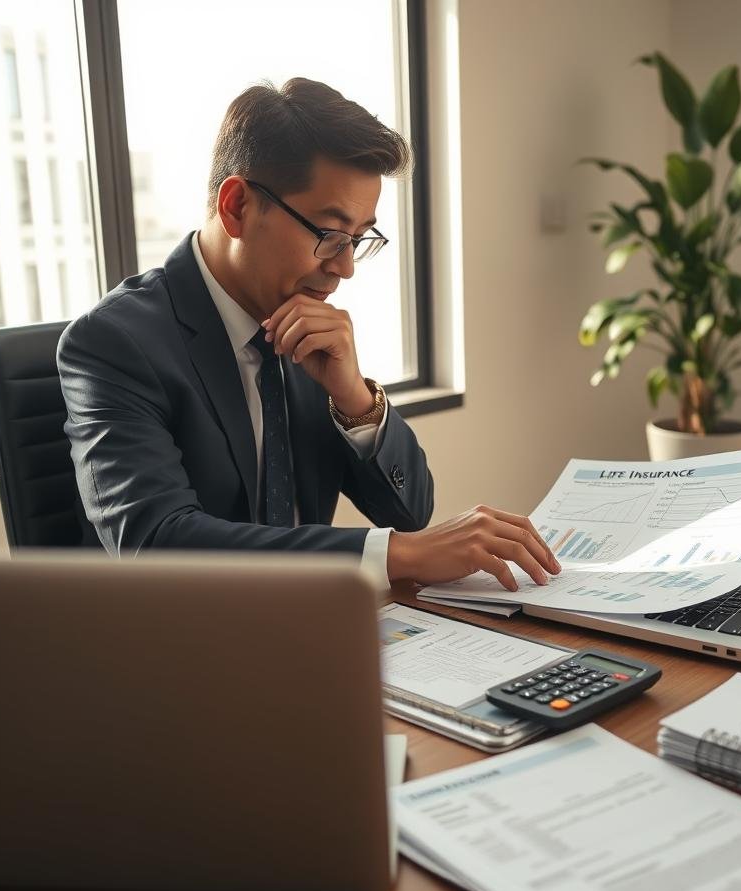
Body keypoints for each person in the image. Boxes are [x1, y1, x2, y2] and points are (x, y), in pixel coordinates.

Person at [57, 77, 560, 593]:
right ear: (237, 207)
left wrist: (354, 398)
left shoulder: (304, 325)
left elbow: (411, 512)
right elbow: (157, 544)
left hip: (315, 628)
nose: (345, 268)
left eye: (359, 240)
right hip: (184, 648)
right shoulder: (113, 343)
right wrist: (396, 554)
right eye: (329, 235)